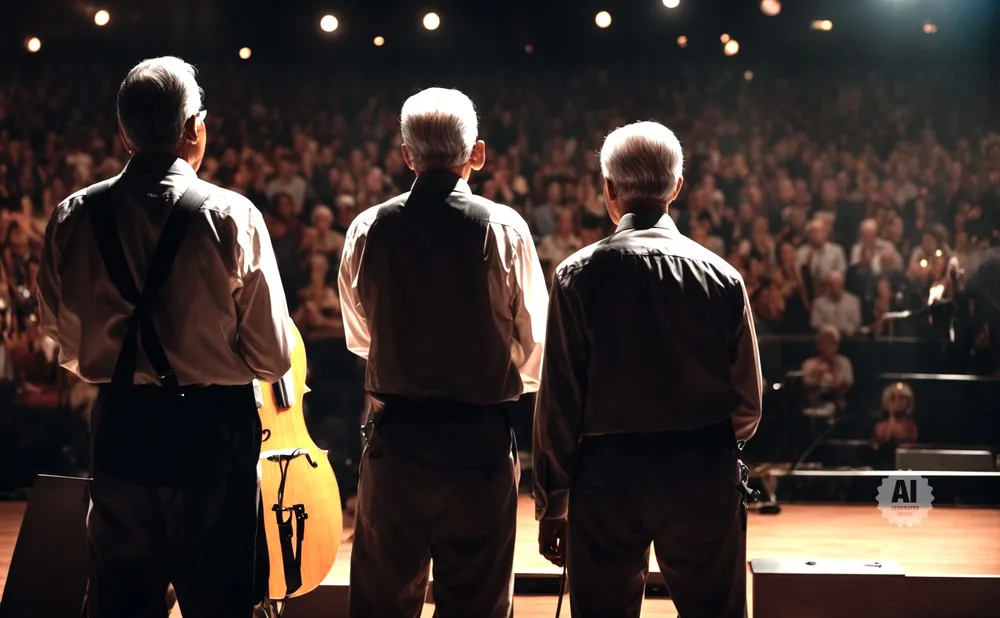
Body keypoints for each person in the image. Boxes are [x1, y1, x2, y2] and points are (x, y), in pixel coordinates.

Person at [36, 57, 292, 618]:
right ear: (195, 128)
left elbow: (60, 337)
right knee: (219, 601)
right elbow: (273, 355)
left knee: (120, 602)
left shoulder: (71, 216)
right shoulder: (232, 216)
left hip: (122, 425)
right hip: (213, 434)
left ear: (122, 131)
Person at [533, 121, 762, 618]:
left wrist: (555, 500)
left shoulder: (575, 277)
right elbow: (748, 404)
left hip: (605, 478)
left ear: (608, 191)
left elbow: (559, 404)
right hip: (701, 470)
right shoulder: (723, 277)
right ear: (677, 188)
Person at [338, 87, 548, 618]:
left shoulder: (367, 228)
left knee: (381, 605)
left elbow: (361, 337)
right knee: (476, 604)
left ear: (406, 155)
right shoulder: (504, 228)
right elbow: (537, 348)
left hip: (397, 441)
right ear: (476, 154)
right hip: (478, 442)